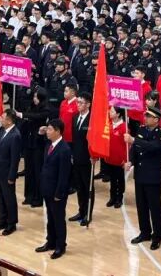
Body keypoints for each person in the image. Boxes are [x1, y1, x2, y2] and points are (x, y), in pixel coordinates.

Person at [127, 106, 161, 250]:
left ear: (156, 119)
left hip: (152, 176)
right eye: (146, 115)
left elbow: (152, 147)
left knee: (154, 207)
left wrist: (133, 140)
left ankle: (157, 235)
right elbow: (134, 150)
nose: (145, 118)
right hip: (140, 174)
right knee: (141, 206)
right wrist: (131, 161)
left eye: (149, 116)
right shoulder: (141, 130)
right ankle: (145, 232)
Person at [37, 118, 72, 260]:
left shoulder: (64, 149)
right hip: (47, 189)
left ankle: (60, 246)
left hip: (57, 192)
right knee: (50, 218)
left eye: (50, 129)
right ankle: (50, 241)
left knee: (58, 219)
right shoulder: (49, 145)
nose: (47, 131)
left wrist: (59, 193)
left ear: (57, 131)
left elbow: (64, 175)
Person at [0, 111, 23, 235]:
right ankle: (3, 219)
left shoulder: (15, 135)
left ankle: (11, 223)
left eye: (3, 118)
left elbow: (15, 158)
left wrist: (12, 176)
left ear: (9, 121)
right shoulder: (2, 131)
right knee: (0, 197)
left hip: (7, 173)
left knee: (9, 198)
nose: (1, 119)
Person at [69, 96, 94, 226]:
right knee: (79, 187)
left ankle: (88, 214)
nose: (78, 104)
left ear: (88, 104)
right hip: (77, 157)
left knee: (87, 186)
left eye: (81, 102)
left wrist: (94, 155)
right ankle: (81, 210)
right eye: (77, 102)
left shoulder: (92, 120)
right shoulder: (75, 117)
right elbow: (74, 139)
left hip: (88, 158)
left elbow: (94, 140)